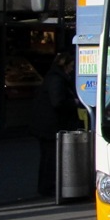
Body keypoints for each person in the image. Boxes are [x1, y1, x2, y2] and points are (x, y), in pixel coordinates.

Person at [30, 52, 81, 197]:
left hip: (47, 124)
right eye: (71, 65)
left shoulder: (55, 77)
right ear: (65, 64)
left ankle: (47, 186)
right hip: (50, 126)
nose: (72, 68)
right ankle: (47, 187)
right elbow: (58, 102)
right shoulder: (57, 79)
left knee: (48, 157)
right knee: (50, 157)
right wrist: (75, 103)